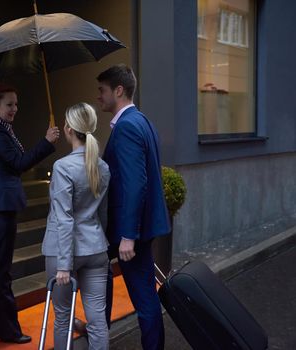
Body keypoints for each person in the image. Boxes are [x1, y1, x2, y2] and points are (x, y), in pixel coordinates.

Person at [0, 83, 60, 344]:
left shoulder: (1, 129)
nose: (14, 109)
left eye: (16, 104)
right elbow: (19, 163)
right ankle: (8, 330)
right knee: (0, 272)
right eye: (9, 104)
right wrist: (46, 142)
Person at [98, 64, 171, 350]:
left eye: (102, 90)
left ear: (118, 90)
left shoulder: (127, 126)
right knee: (144, 295)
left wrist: (128, 235)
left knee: (144, 299)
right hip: (144, 225)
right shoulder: (142, 120)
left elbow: (135, 183)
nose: (98, 97)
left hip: (133, 231)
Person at [42, 102, 111, 350]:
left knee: (63, 319)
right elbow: (103, 212)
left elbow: (64, 218)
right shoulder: (103, 167)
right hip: (95, 248)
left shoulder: (62, 167)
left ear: (69, 128)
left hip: (64, 254)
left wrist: (63, 264)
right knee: (97, 320)